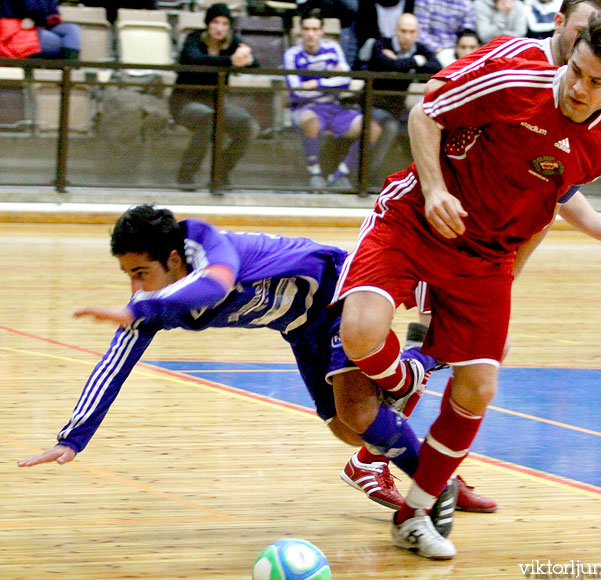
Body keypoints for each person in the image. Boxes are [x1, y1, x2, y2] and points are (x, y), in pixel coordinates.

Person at [335, 17, 601, 559]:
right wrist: (436, 189)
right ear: (569, 51)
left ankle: (415, 514)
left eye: (596, 82)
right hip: (417, 218)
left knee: (479, 388)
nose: (579, 87)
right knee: (361, 334)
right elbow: (425, 113)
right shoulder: (513, 81)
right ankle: (409, 372)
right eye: (576, 70)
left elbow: (545, 206)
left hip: (485, 256)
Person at [16, 204, 488, 529]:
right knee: (349, 430)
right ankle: (418, 379)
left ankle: (434, 460)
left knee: (361, 413)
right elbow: (113, 364)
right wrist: (72, 438)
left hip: (338, 291)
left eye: (141, 273)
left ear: (174, 258)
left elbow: (215, 286)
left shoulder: (207, 243)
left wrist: (141, 309)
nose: (136, 288)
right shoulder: (154, 302)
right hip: (302, 327)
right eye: (129, 278)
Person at [284, 7, 382, 190]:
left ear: (321, 31)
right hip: (305, 108)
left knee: (373, 129)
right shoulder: (292, 54)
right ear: (300, 31)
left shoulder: (333, 48)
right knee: (311, 123)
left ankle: (339, 175)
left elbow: (346, 81)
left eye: (315, 29)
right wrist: (330, 79)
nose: (310, 34)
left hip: (334, 107)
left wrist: (315, 82)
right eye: (306, 29)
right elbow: (297, 91)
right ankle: (315, 175)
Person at [169, 3, 260, 191]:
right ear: (208, 24)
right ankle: (186, 173)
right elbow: (195, 59)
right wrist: (231, 61)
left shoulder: (231, 43)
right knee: (209, 118)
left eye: (225, 24)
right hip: (185, 102)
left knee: (249, 126)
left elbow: (255, 65)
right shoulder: (193, 39)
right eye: (215, 23)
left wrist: (247, 58)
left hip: (216, 102)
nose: (220, 28)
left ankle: (220, 172)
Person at [0, 0, 81, 59]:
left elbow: (53, 9)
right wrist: (43, 18)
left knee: (72, 29)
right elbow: (30, 9)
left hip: (44, 24)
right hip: (20, 27)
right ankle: (67, 71)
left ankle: (70, 71)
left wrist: (52, 17)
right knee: (62, 42)